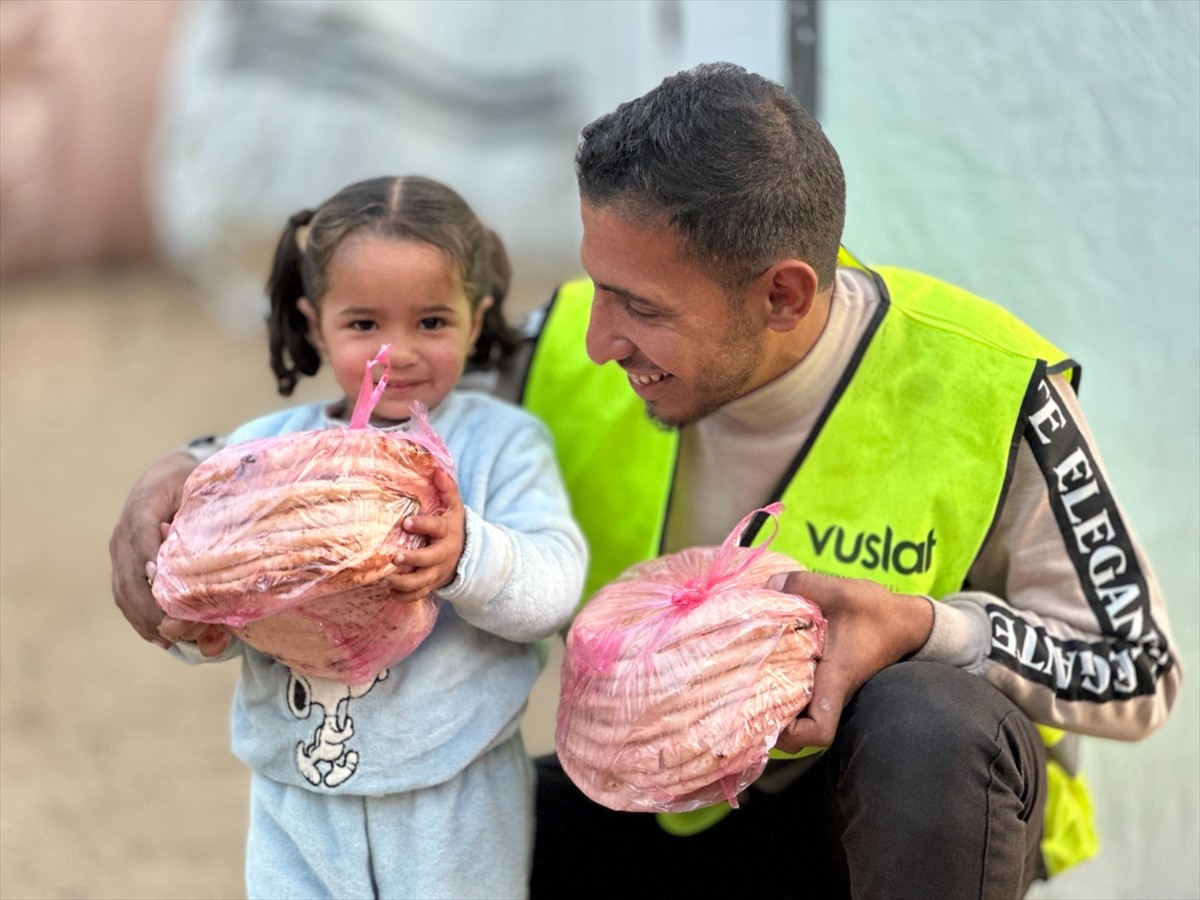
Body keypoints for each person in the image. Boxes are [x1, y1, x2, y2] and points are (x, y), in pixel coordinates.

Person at [110, 66, 1180, 898]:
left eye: (643, 306)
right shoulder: (561, 345)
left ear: (783, 295)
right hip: (645, 817)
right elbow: (373, 399)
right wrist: (200, 468)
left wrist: (920, 625)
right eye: (594, 282)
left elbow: (1143, 669)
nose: (597, 335)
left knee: (926, 724)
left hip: (868, 842)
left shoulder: (994, 388)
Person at [132, 174, 587, 899]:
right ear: (316, 323)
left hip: (454, 797)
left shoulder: (503, 445)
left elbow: (555, 589)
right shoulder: (263, 453)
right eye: (364, 324)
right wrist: (198, 627)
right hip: (296, 797)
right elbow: (210, 581)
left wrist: (466, 554)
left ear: (479, 317)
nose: (395, 352)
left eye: (432, 322)